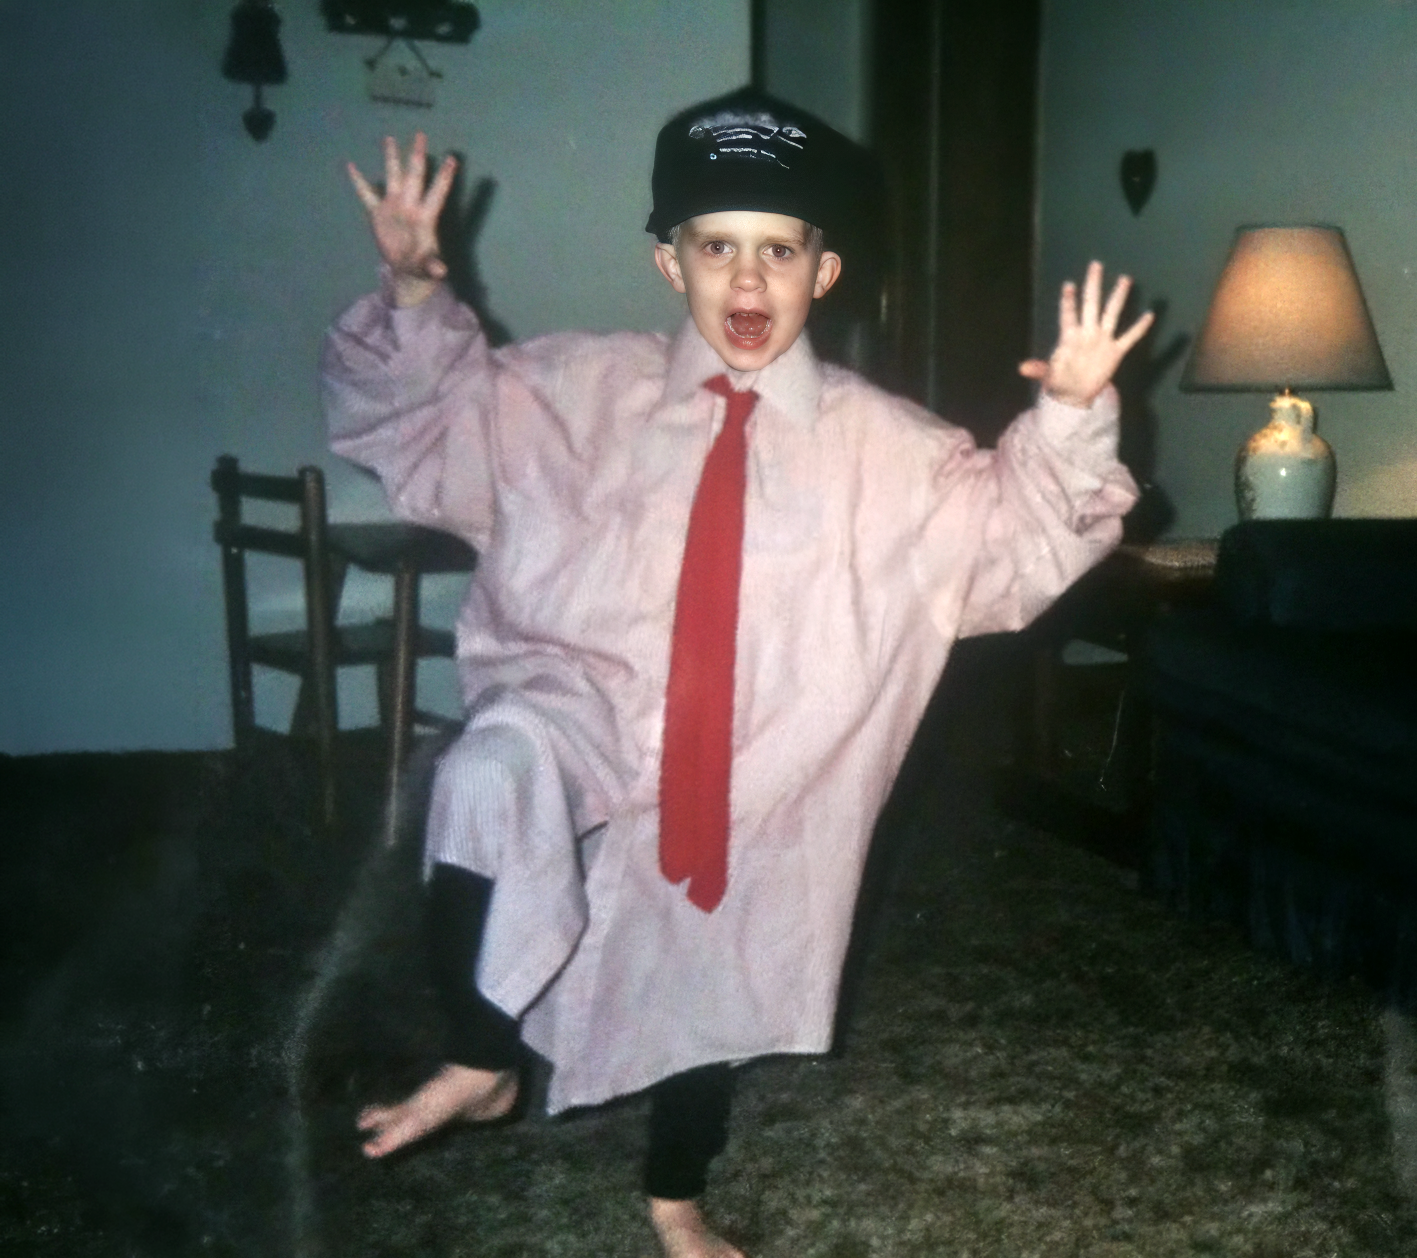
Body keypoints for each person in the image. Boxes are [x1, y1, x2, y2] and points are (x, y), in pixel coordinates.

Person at [322, 88, 1153, 1258]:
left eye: (780, 250)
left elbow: (1016, 540)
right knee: (488, 767)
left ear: (825, 272)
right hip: (582, 708)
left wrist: (1067, 416)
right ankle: (478, 1049)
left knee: (713, 942)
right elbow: (421, 421)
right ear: (670, 265)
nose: (748, 283)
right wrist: (416, 291)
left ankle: (676, 1197)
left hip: (761, 755)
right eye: (717, 247)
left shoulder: (891, 449)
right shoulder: (566, 392)